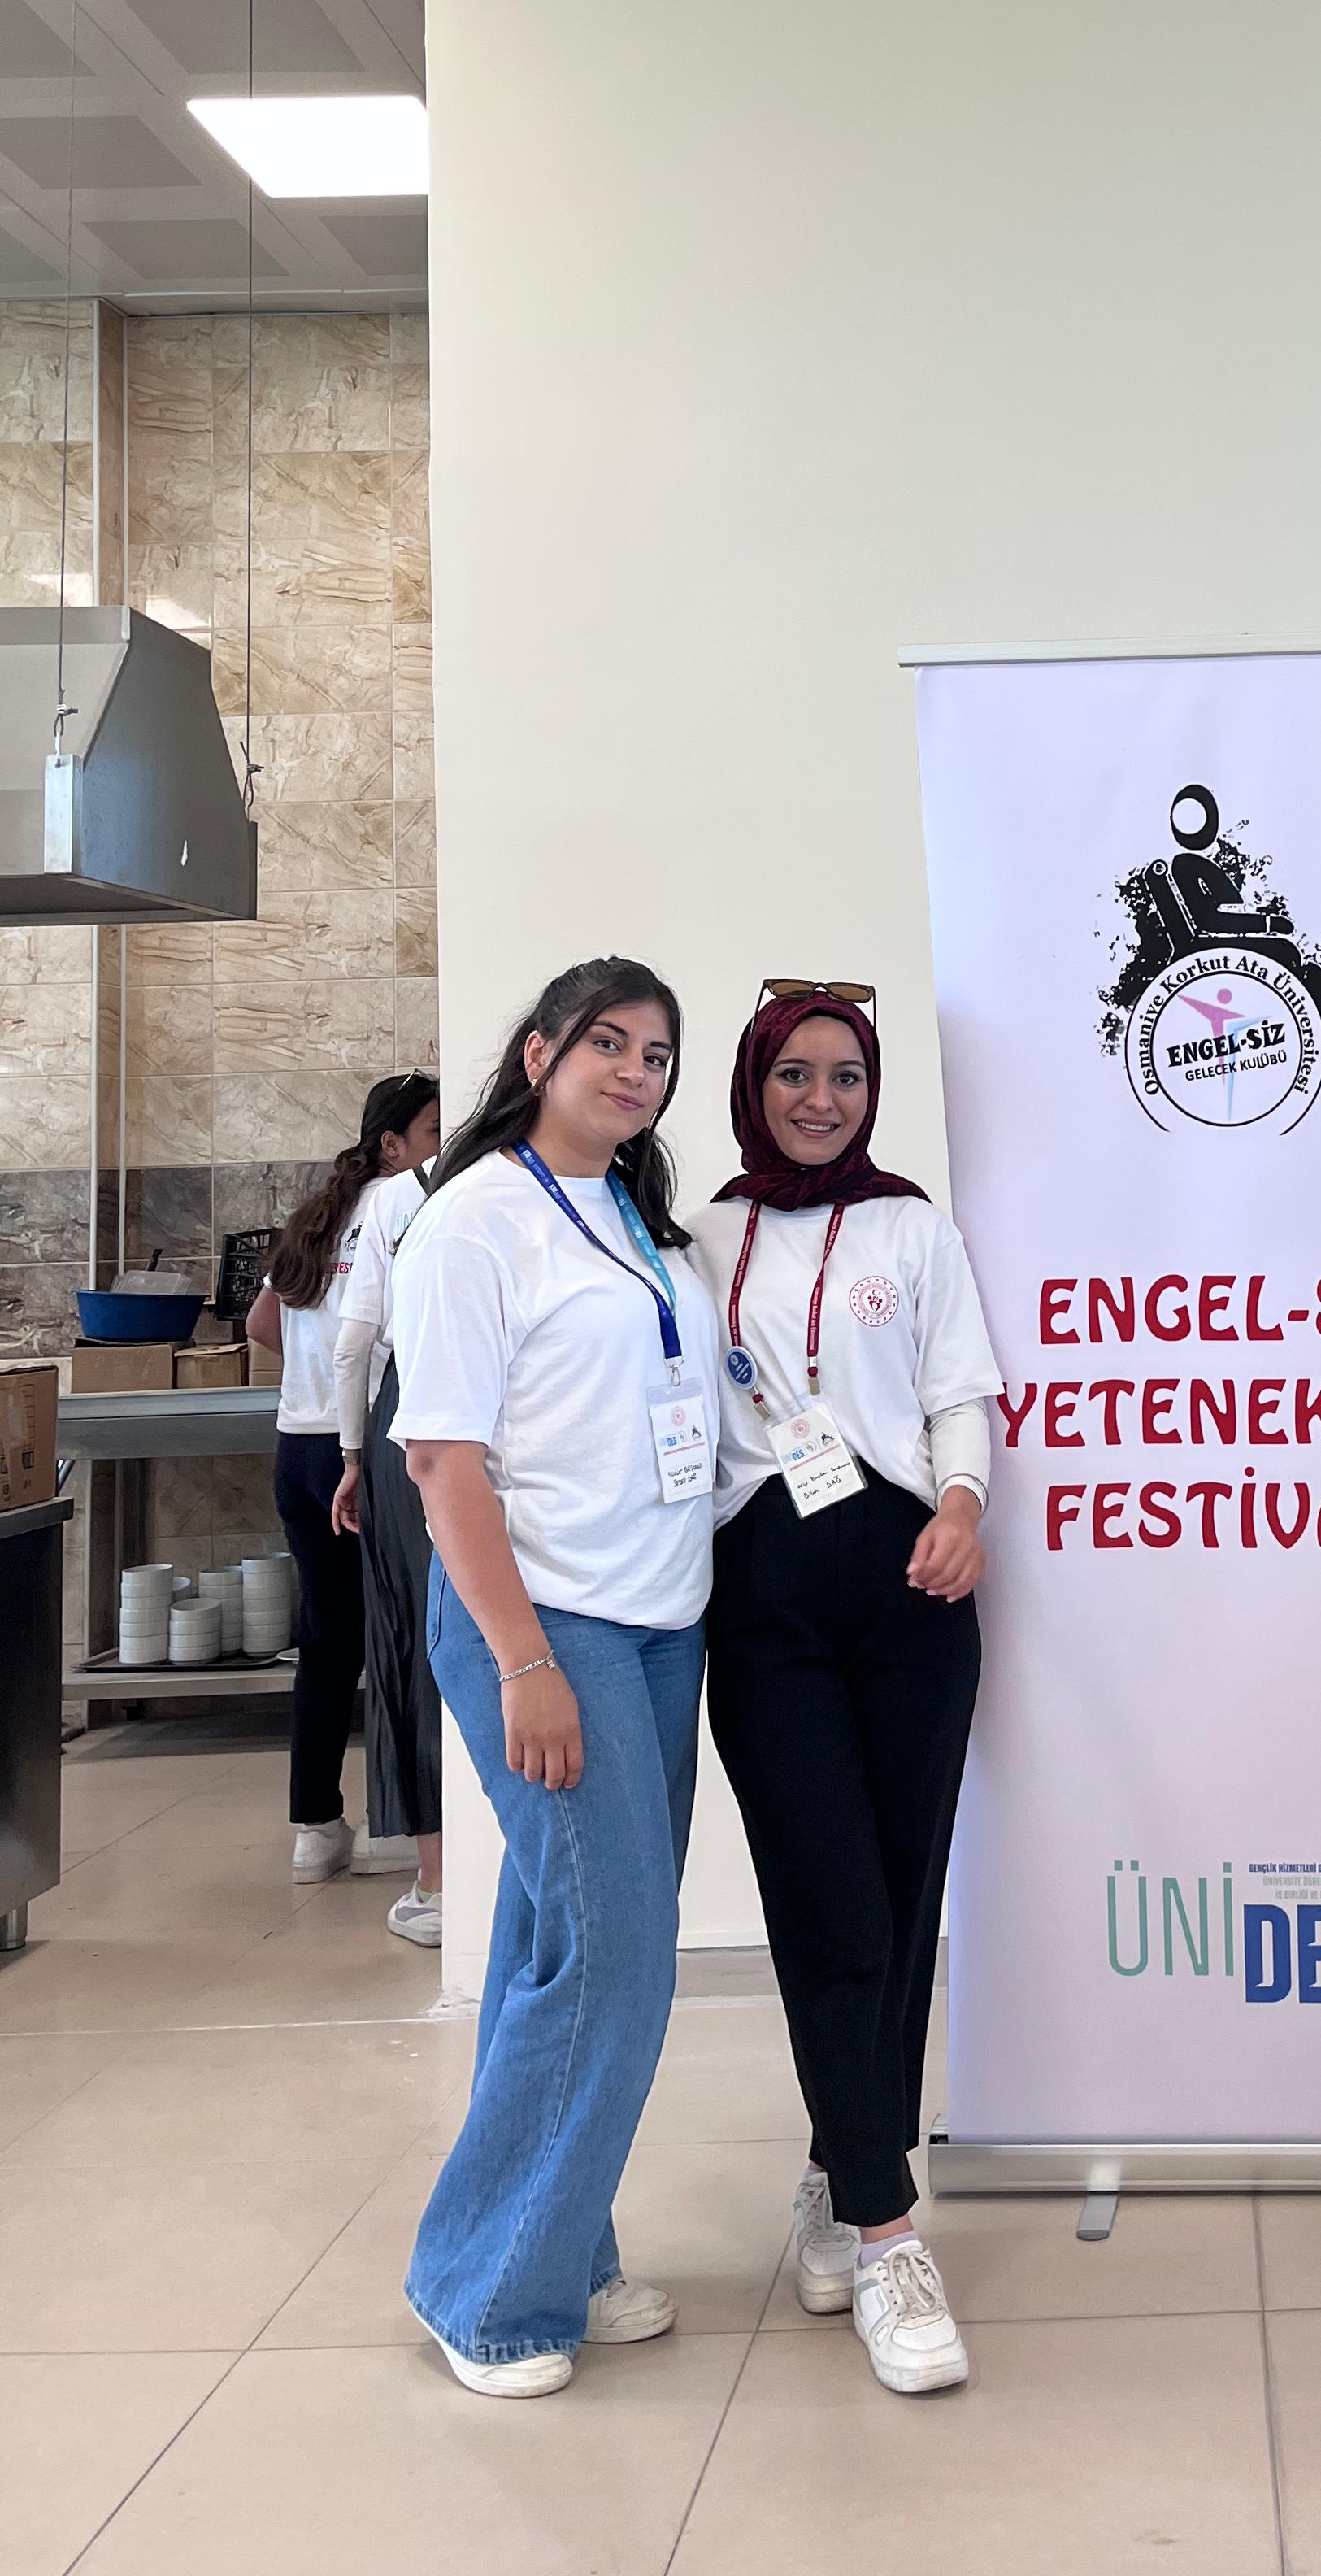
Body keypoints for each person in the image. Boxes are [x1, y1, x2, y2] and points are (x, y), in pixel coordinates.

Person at [393, 957, 720, 2400]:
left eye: (657, 1053)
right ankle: (489, 2290)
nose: (637, 1071)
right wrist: (524, 1660)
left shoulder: (637, 1216)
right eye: (609, 1042)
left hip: (659, 1623)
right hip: (545, 1622)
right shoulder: (473, 1219)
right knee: (616, 1960)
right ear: (539, 1053)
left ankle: (563, 2248)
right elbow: (441, 1461)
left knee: (558, 1946)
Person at [682, 983, 1002, 2400]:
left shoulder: (911, 1228)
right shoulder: (697, 1239)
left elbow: (958, 1390)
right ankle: (887, 2235)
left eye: (847, 1077)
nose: (822, 1100)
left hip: (911, 1580)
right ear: (752, 1084)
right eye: (796, 1074)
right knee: (830, 1902)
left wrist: (961, 1505)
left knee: (901, 1895)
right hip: (762, 1591)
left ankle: (839, 2161)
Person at [245, 1073, 439, 1886]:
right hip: (357, 1451)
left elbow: (259, 1323)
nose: (442, 1147)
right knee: (397, 1632)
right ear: (393, 1143)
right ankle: (399, 1831)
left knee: (328, 1640)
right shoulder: (404, 1204)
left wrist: (318, 1373)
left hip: (298, 1447)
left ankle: (315, 1827)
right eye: (432, 1130)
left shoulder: (315, 1218)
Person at [331, 1075, 443, 1945]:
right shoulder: (513, 1183)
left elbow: (354, 1343)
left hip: (404, 1420)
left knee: (415, 1638)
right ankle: (459, 1877)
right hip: (450, 1418)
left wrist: (352, 1458)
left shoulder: (394, 1201)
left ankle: (438, 1883)